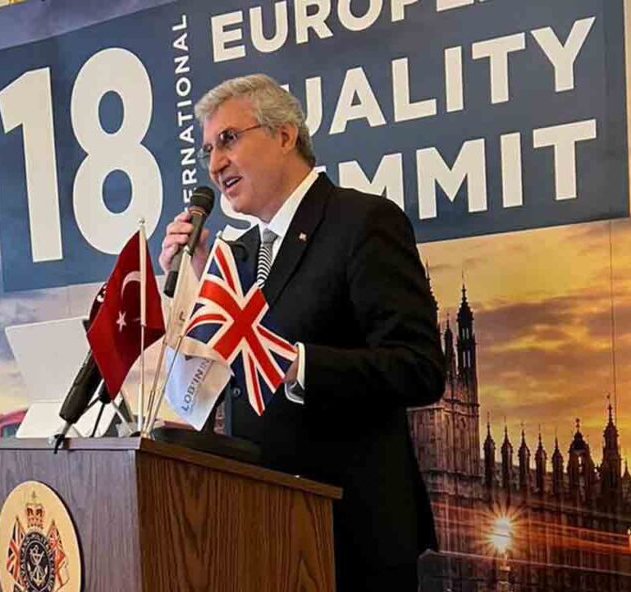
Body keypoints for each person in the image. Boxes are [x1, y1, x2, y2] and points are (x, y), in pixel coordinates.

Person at [158, 74, 445, 591]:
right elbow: (228, 381)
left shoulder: (363, 221)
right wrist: (198, 283)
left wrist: (298, 365)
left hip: (352, 535)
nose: (215, 163)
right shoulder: (238, 256)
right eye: (208, 150)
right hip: (263, 528)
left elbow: (418, 368)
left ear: (285, 135)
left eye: (228, 139)